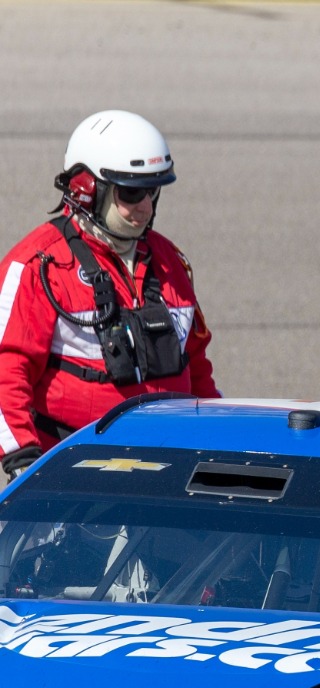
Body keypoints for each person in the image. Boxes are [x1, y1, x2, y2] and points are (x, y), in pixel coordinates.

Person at [0, 110, 219, 481]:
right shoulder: (37, 266)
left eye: (153, 191)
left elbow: (196, 367)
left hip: (171, 471)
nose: (146, 206)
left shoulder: (171, 263)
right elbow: (6, 372)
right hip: (76, 479)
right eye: (131, 192)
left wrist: (220, 439)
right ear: (86, 188)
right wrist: (23, 460)